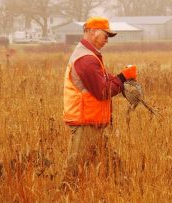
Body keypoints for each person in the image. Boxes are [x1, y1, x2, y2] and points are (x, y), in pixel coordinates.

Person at [61, 16, 136, 189]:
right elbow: (103, 91)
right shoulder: (86, 59)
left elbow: (108, 82)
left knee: (113, 165)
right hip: (86, 124)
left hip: (93, 123)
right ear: (93, 32)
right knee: (73, 174)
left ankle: (126, 192)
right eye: (106, 35)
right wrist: (124, 77)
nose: (107, 40)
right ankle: (63, 196)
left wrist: (122, 78)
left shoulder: (90, 56)